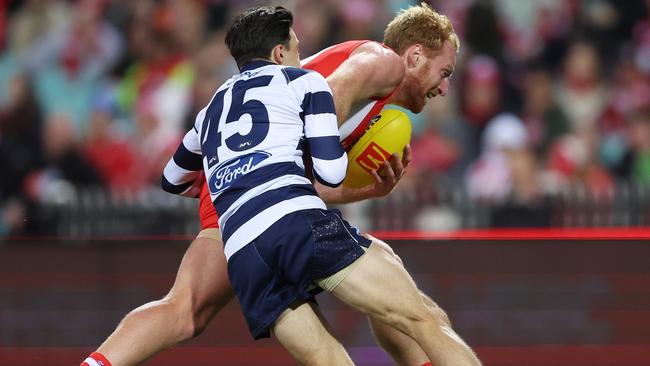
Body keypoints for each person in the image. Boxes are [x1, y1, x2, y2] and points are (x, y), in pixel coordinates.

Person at [82, 3, 478, 366]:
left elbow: (298, 173)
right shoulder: (382, 62)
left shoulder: (232, 97)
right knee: (409, 306)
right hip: (269, 190)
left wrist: (367, 192)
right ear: (414, 55)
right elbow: (319, 112)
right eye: (444, 73)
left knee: (185, 311)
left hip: (231, 189)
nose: (444, 88)